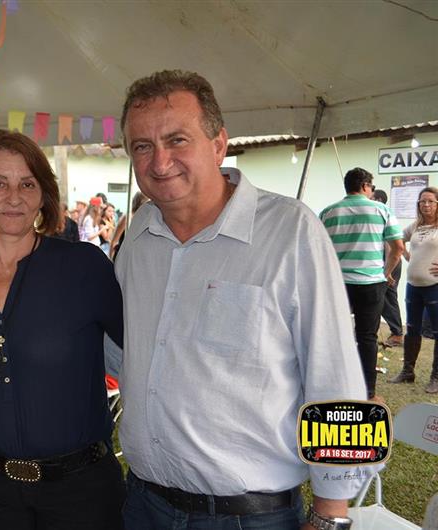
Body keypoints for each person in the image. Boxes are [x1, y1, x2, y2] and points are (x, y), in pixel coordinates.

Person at [116, 69, 370, 530]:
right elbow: (127, 348)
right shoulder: (139, 236)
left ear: (219, 144)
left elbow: (335, 375)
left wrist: (332, 512)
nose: (160, 162)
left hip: (248, 517)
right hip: (144, 503)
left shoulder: (291, 231)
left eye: (177, 140)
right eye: (142, 146)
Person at [0, 130, 125, 530]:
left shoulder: (84, 267)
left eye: (27, 184)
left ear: (43, 195)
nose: (14, 197)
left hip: (80, 494)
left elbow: (143, 346)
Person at [321, 167, 404, 400]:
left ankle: (332, 385)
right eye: (372, 187)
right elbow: (398, 248)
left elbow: (319, 248)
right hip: (370, 283)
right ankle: (368, 393)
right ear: (365, 186)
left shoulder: (328, 212)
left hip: (338, 283)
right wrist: (386, 272)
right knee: (367, 337)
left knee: (335, 334)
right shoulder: (382, 210)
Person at [389, 187, 438, 393]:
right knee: (412, 329)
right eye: (422, 201)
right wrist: (407, 256)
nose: (426, 205)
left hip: (434, 287)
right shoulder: (416, 226)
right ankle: (407, 372)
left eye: (430, 201)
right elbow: (397, 239)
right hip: (413, 287)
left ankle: (436, 377)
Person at [372, 189, 404, 347]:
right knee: (384, 297)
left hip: (391, 261)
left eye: (371, 198)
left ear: (378, 199)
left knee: (386, 298)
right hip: (388, 261)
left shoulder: (382, 214)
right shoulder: (378, 213)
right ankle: (392, 332)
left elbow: (390, 246)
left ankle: (397, 334)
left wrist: (388, 270)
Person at [109, 191, 148, 260]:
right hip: (124, 256)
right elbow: (114, 240)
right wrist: (110, 259)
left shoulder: (146, 218)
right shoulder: (128, 217)